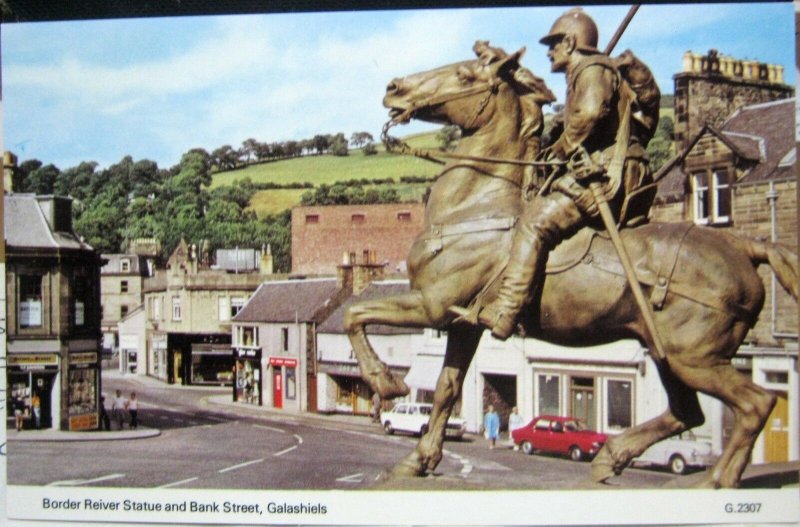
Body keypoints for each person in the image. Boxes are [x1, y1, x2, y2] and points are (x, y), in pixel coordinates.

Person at [475, 7, 656, 340]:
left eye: (554, 44)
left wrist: (560, 150)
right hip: (625, 171)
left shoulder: (591, 68)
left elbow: (589, 114)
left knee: (534, 223)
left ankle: (506, 309)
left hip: (606, 176)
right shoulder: (598, 72)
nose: (549, 51)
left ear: (571, 43)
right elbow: (647, 113)